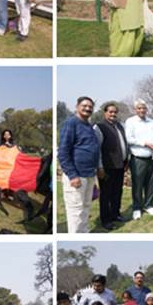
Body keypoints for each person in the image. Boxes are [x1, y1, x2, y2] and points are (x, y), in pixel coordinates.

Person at [58, 97, 99, 233]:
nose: (87, 108)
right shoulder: (71, 123)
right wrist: (72, 175)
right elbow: (63, 152)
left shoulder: (88, 125)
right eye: (84, 105)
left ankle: (83, 232)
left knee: (86, 206)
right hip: (77, 175)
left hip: (89, 174)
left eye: (90, 107)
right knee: (75, 209)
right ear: (77, 107)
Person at [93, 102, 129, 230]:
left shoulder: (120, 126)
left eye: (115, 112)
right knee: (106, 194)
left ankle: (115, 214)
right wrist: (100, 167)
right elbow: (97, 149)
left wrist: (126, 161)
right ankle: (106, 219)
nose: (113, 114)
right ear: (105, 113)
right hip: (106, 167)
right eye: (110, 112)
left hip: (119, 166)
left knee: (117, 192)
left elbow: (124, 144)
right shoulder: (99, 127)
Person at [125, 100, 153, 220]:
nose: (142, 110)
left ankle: (148, 205)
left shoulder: (152, 122)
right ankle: (137, 208)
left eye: (144, 108)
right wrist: (145, 143)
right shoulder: (130, 121)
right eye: (139, 108)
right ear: (135, 109)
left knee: (150, 183)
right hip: (138, 157)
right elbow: (129, 139)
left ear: (146, 109)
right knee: (137, 184)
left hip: (152, 157)